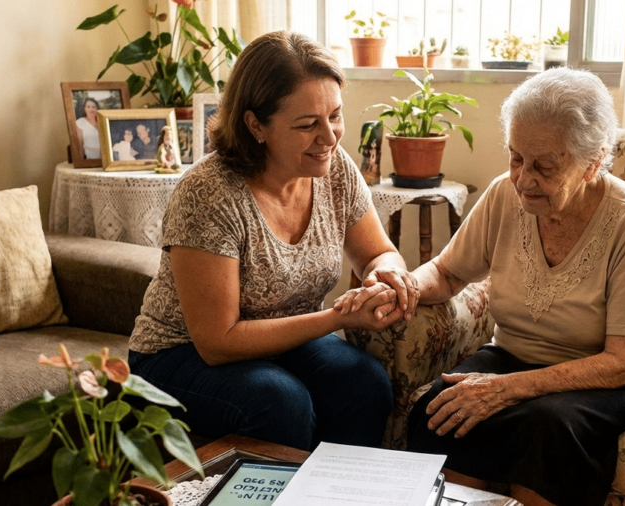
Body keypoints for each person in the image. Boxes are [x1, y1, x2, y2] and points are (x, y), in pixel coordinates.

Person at [127, 31, 419, 452]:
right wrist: (339, 317)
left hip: (285, 340)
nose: (330, 137)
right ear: (255, 125)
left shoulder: (335, 168)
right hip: (179, 353)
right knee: (281, 403)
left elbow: (377, 253)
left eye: (335, 116)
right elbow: (218, 342)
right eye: (308, 125)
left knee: (364, 383)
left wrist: (385, 276)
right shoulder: (209, 193)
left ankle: (340, 488)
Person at [404, 68, 625, 506]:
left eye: (544, 166)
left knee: (547, 425)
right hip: (515, 355)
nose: (524, 179)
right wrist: (404, 286)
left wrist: (507, 389)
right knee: (443, 408)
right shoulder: (503, 196)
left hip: (610, 379)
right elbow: (448, 273)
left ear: (594, 162)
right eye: (516, 158)